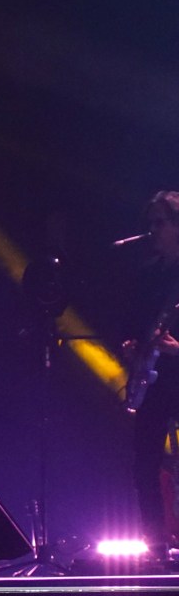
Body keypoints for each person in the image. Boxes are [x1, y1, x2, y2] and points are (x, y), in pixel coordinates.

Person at [122, 191, 179, 561]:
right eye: (151, 222)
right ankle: (156, 544)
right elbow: (132, 324)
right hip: (154, 379)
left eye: (161, 222)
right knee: (143, 458)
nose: (153, 230)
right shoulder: (146, 275)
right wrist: (130, 346)